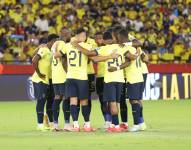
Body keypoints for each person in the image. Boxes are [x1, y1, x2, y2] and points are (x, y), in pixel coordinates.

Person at [31, 34, 59, 131]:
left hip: (48, 80)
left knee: (49, 102)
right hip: (40, 80)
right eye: (56, 41)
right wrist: (39, 73)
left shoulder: (51, 51)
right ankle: (39, 125)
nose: (57, 44)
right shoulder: (44, 50)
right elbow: (34, 60)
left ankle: (48, 123)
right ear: (51, 41)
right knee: (41, 101)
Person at [51, 28, 72, 131]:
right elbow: (61, 58)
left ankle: (55, 124)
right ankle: (67, 124)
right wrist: (68, 72)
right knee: (66, 99)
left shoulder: (54, 44)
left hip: (55, 76)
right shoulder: (63, 44)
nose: (71, 36)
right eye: (69, 34)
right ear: (65, 34)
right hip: (62, 75)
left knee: (57, 98)